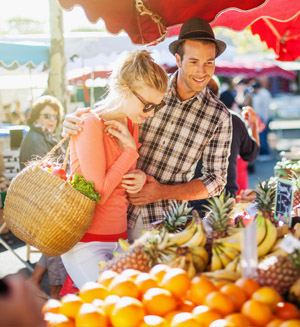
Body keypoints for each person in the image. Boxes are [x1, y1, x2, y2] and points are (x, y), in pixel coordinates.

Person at [62, 17, 232, 243]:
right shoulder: (150, 88)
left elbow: (216, 181)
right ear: (178, 60)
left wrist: (162, 191)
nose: (202, 71)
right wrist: (75, 119)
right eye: (193, 61)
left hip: (167, 221)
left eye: (209, 63)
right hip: (116, 212)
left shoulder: (219, 116)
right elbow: (107, 114)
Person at [60, 50, 169, 288]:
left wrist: (140, 177)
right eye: (147, 105)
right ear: (122, 88)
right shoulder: (89, 124)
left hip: (119, 238)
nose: (150, 113)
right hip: (86, 243)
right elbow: (98, 194)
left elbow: (119, 177)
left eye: (155, 108)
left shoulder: (131, 121)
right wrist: (130, 151)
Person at [19, 95, 68, 299]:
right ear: (36, 117)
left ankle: (35, 279)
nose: (52, 119)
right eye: (46, 115)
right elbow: (46, 173)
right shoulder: (35, 138)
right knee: (59, 241)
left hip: (47, 199)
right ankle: (56, 293)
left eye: (55, 116)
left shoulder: (45, 135)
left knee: (55, 242)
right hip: (41, 202)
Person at [192, 77, 259, 201]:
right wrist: (253, 125)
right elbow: (251, 155)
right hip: (224, 199)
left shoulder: (186, 119)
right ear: (218, 94)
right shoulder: (233, 119)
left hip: (188, 198)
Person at [251, 81, 272, 156]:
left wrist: (265, 120)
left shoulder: (264, 94)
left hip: (263, 118)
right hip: (260, 117)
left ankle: (265, 152)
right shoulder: (259, 94)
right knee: (261, 135)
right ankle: (264, 152)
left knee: (263, 136)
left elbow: (265, 108)